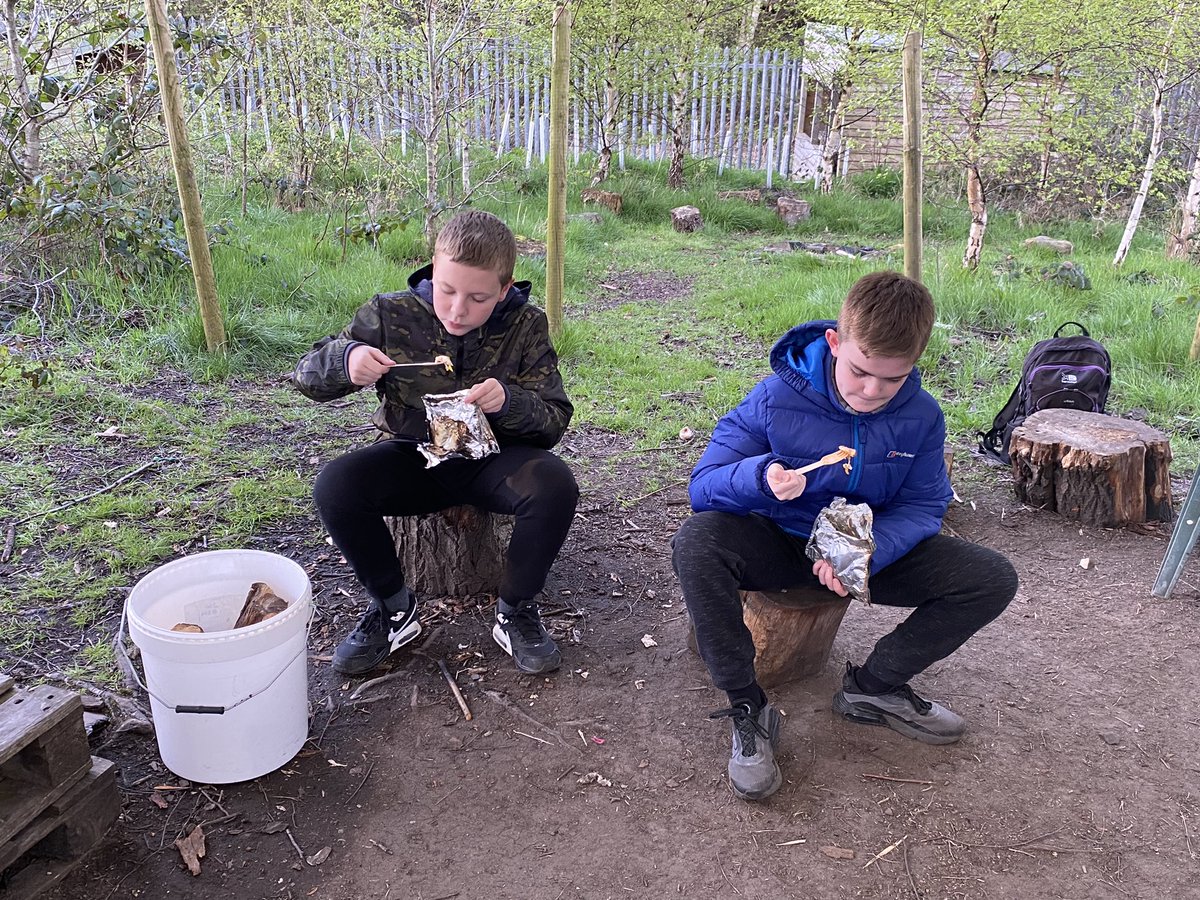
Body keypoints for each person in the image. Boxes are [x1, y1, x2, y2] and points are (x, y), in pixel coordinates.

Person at [672, 271, 1017, 801]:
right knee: (697, 540)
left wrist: (864, 554)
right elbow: (703, 486)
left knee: (990, 579)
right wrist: (761, 477)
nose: (872, 392)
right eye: (859, 372)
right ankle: (747, 705)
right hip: (778, 540)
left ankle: (874, 689)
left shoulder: (921, 418)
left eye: (892, 379)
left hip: (863, 547)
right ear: (835, 343)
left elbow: (924, 503)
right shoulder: (775, 399)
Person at [292, 210, 578, 677]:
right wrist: (348, 362)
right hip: (414, 457)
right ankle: (393, 609)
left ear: (505, 290)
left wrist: (508, 402)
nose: (457, 309)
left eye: (478, 297)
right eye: (447, 290)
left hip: (496, 460)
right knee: (336, 485)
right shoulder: (390, 313)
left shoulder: (526, 326)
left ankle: (515, 611)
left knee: (554, 483)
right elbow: (305, 377)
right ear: (432, 268)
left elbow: (553, 422)